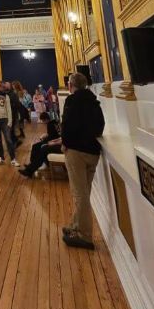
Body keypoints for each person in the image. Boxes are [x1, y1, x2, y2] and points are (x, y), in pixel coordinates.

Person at [61, 73, 106, 249]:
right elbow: (100, 126)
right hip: (93, 152)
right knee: (84, 193)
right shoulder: (94, 101)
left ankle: (85, 236)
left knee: (80, 194)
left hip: (76, 152)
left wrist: (65, 143)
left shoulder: (71, 101)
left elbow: (67, 125)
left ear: (71, 85)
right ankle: (75, 225)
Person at [19, 112, 62, 177]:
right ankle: (31, 165)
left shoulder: (50, 124)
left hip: (54, 142)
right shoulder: (54, 122)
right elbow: (57, 136)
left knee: (38, 147)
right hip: (55, 141)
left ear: (45, 119)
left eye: (43, 120)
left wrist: (46, 140)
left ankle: (31, 167)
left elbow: (53, 136)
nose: (42, 122)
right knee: (36, 146)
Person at [7, 81, 24, 145]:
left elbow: (19, 101)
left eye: (13, 85)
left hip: (18, 109)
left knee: (16, 124)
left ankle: (17, 138)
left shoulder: (18, 92)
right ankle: (19, 136)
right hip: (18, 108)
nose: (12, 86)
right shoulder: (16, 92)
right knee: (16, 124)